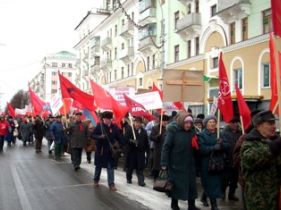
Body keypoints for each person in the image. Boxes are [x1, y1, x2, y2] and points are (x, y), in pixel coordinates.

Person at [241, 111, 281, 210]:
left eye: (274, 123)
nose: (274, 127)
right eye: (270, 123)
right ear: (259, 126)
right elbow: (250, 160)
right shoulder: (249, 142)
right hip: (259, 199)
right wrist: (273, 147)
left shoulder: (275, 140)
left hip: (275, 195)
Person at [161, 112, 200, 210]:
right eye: (186, 123)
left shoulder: (192, 132)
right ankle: (174, 204)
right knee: (176, 185)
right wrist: (164, 163)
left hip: (189, 163)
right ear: (182, 121)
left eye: (190, 123)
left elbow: (196, 148)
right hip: (176, 164)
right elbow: (166, 147)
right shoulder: (173, 131)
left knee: (191, 185)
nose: (188, 125)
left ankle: (191, 205)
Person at [198, 115, 229, 210]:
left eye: (214, 122)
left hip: (219, 163)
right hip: (207, 164)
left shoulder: (220, 134)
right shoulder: (202, 135)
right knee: (211, 183)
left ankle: (204, 197)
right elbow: (202, 149)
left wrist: (222, 144)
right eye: (210, 122)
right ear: (206, 124)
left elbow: (228, 146)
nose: (212, 124)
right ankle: (214, 205)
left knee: (216, 183)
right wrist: (213, 148)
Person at [92, 111, 123, 191]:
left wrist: (120, 145)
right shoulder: (99, 126)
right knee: (98, 166)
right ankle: (96, 180)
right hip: (101, 150)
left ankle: (111, 184)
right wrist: (99, 137)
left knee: (111, 168)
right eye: (104, 119)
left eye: (107, 119)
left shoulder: (114, 127)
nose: (106, 120)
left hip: (110, 152)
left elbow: (119, 138)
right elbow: (92, 135)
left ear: (110, 119)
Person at [221, 117, 242, 201]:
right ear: (229, 123)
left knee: (234, 179)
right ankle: (222, 193)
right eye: (234, 122)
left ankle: (231, 194)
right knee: (225, 179)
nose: (236, 124)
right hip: (227, 160)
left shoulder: (240, 133)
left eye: (237, 122)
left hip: (236, 160)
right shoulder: (224, 133)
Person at [124, 117, 149, 186]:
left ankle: (141, 181)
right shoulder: (130, 130)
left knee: (140, 168)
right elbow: (125, 139)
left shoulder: (144, 132)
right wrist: (132, 141)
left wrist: (147, 151)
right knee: (130, 167)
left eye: (139, 123)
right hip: (131, 152)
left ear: (141, 124)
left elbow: (146, 142)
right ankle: (129, 178)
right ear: (134, 122)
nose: (137, 124)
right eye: (136, 122)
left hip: (140, 153)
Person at [150, 114, 169, 180]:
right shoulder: (155, 128)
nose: (165, 122)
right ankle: (155, 178)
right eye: (164, 121)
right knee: (156, 165)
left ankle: (163, 180)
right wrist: (157, 137)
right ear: (160, 121)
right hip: (158, 149)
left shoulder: (169, 129)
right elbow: (151, 137)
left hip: (166, 150)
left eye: (166, 121)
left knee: (164, 165)